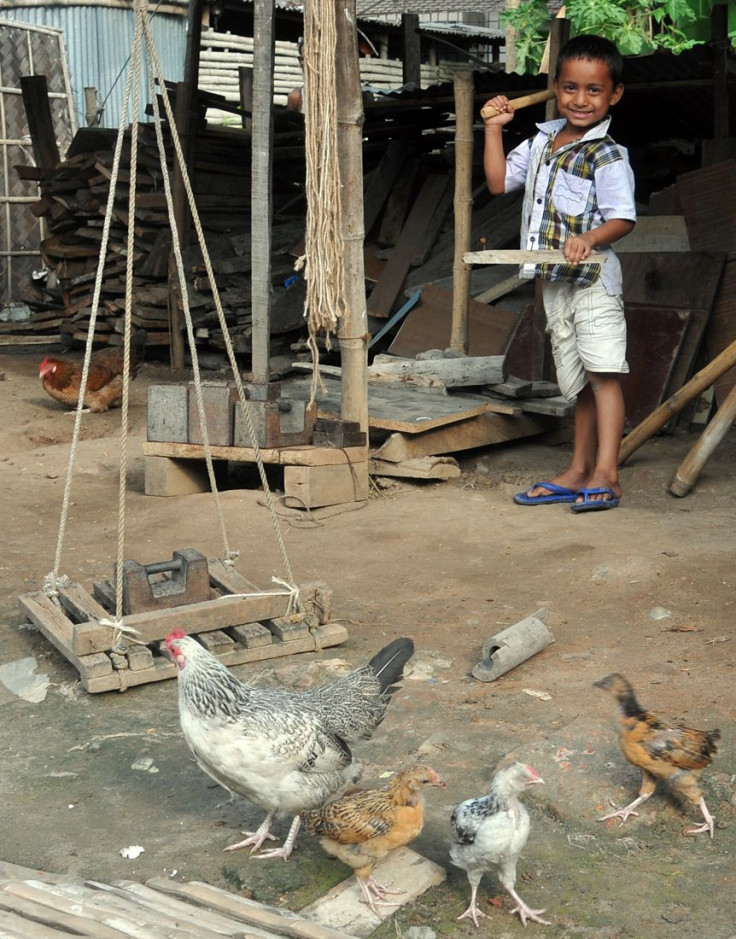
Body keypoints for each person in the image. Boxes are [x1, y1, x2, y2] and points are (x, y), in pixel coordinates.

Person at [483, 35, 636, 513]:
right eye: (571, 88)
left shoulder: (608, 155)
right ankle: (577, 471)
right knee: (581, 381)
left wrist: (589, 238)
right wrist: (494, 129)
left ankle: (606, 475)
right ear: (555, 88)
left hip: (593, 282)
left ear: (614, 95)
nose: (581, 99)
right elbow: (497, 182)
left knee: (603, 375)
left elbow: (623, 218)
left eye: (594, 90)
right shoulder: (543, 141)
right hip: (556, 283)